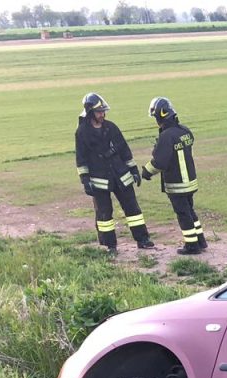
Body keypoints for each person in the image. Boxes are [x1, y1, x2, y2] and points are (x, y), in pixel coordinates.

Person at [74, 92, 154, 255]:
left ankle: (142, 239)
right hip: (99, 180)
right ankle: (109, 245)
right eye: (99, 112)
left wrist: (133, 170)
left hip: (120, 175)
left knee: (133, 209)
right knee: (104, 214)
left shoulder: (111, 127)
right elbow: (81, 158)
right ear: (90, 112)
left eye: (103, 111)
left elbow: (124, 149)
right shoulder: (82, 132)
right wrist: (85, 180)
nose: (102, 115)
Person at [140, 97, 206, 255]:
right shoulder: (185, 131)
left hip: (177, 184)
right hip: (190, 181)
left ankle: (192, 246)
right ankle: (201, 241)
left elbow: (160, 162)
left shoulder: (166, 137)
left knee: (183, 214)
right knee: (190, 211)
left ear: (159, 117)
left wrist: (146, 172)